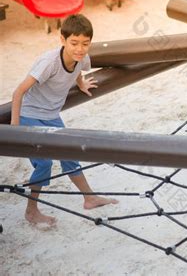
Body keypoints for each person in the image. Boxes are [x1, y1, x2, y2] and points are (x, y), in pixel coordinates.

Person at [11, 14, 118, 226]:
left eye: (85, 44)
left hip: (52, 116)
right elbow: (18, 92)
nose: (79, 48)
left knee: (69, 154)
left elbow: (77, 69)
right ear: (62, 40)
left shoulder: (82, 58)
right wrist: (15, 129)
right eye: (74, 43)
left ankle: (89, 198)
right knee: (44, 163)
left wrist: (81, 84)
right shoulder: (48, 62)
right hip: (30, 115)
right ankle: (31, 210)